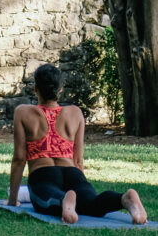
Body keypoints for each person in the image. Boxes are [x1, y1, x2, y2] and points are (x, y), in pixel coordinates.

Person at [8, 63, 147, 225]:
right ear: (60, 89)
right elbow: (78, 161)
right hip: (72, 173)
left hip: (43, 174)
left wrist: (12, 200)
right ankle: (123, 198)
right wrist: (80, 185)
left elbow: (19, 159)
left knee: (46, 201)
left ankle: (64, 201)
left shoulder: (23, 112)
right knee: (92, 204)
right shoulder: (75, 112)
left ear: (35, 89)